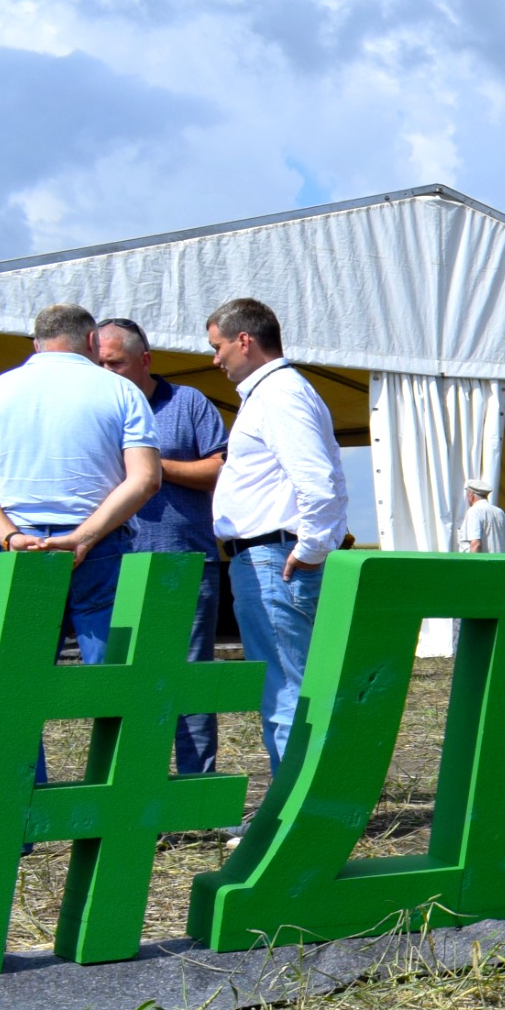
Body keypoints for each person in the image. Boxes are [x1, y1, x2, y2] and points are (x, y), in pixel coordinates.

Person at [0, 303, 162, 671]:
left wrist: (10, 537)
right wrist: (83, 537)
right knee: (110, 678)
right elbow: (145, 478)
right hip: (100, 541)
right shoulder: (123, 391)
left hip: (22, 543)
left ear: (36, 344)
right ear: (92, 340)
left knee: (18, 677)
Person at [204, 296, 347, 773]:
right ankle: (305, 799)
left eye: (218, 346)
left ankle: (294, 809)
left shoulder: (278, 394)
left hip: (272, 558)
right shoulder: (279, 391)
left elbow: (317, 480)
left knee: (287, 693)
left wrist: (311, 548)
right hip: (271, 556)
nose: (215, 359)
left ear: (244, 340)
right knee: (291, 689)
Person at [93, 317, 231, 775]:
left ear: (145, 360)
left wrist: (152, 469)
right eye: (98, 364)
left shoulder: (188, 402)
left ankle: (194, 790)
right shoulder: (92, 409)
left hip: (183, 562)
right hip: (113, 564)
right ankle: (133, 787)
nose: (106, 373)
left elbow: (221, 469)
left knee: (189, 678)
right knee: (125, 682)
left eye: (115, 363)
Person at [459, 480, 505, 554]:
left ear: (471, 494)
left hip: (484, 560)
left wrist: (472, 561)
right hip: (500, 559)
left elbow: (476, 544)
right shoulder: (500, 512)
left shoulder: (474, 511)